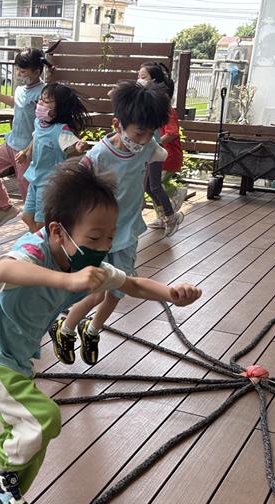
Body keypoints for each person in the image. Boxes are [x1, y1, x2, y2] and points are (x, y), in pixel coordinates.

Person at [0, 161, 201, 504]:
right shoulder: (34, 251)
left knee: (33, 439)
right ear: (57, 231)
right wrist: (66, 280)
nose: (102, 248)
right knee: (42, 418)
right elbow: (3, 271)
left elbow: (132, 285)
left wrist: (171, 293)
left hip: (15, 360)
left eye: (109, 238)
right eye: (94, 237)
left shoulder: (90, 263)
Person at [50, 81, 171, 367]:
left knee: (118, 290)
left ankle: (92, 331)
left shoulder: (147, 146)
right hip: (98, 236)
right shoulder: (98, 156)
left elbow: (159, 151)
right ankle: (65, 328)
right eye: (139, 132)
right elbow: (74, 188)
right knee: (96, 292)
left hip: (127, 232)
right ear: (118, 125)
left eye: (150, 133)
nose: (144, 140)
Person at [0, 48, 46, 228]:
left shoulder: (44, 93)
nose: (18, 73)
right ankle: (5, 208)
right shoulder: (20, 89)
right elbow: (15, 102)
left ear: (37, 72)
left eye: (23, 71)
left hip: (28, 149)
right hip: (11, 143)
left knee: (26, 185)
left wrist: (28, 150)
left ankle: (35, 227)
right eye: (17, 69)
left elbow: (43, 126)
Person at [21, 83, 90, 233]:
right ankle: (41, 240)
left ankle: (42, 242)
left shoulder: (60, 130)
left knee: (41, 222)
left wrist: (79, 146)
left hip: (49, 182)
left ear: (60, 108)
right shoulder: (39, 123)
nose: (40, 103)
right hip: (35, 178)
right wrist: (26, 152)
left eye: (46, 101)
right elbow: (36, 138)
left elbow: (72, 145)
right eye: (40, 99)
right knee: (26, 216)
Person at [137, 62, 186, 232]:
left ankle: (171, 209)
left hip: (165, 155)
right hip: (152, 151)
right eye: (138, 76)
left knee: (155, 186)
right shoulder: (147, 104)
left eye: (143, 77)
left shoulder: (164, 107)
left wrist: (154, 144)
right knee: (150, 186)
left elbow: (172, 132)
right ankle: (166, 215)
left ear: (155, 81)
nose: (139, 80)